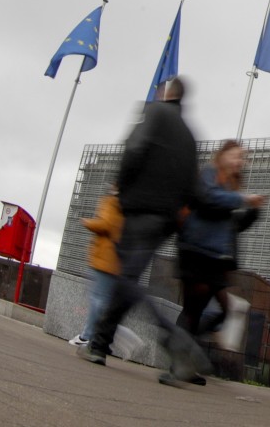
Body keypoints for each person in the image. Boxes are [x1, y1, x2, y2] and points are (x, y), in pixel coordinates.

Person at [77, 77, 208, 383]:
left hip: (138, 212)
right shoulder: (190, 136)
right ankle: (99, 345)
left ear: (167, 93)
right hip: (165, 221)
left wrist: (120, 189)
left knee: (127, 279)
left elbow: (134, 149)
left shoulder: (155, 113)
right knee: (128, 279)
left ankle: (172, 335)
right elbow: (193, 187)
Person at [174, 139, 263, 382]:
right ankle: (178, 359)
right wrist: (243, 200)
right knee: (193, 310)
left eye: (242, 158)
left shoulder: (232, 185)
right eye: (235, 156)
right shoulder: (210, 173)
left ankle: (183, 353)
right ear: (222, 155)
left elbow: (232, 226)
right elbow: (207, 199)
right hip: (197, 249)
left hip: (214, 255)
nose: (239, 161)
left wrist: (253, 212)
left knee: (207, 310)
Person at [68, 184, 141, 357]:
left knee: (97, 300)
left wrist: (88, 222)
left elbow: (106, 224)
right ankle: (95, 337)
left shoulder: (112, 201)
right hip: (116, 259)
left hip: (104, 257)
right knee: (103, 301)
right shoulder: (129, 205)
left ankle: (89, 336)